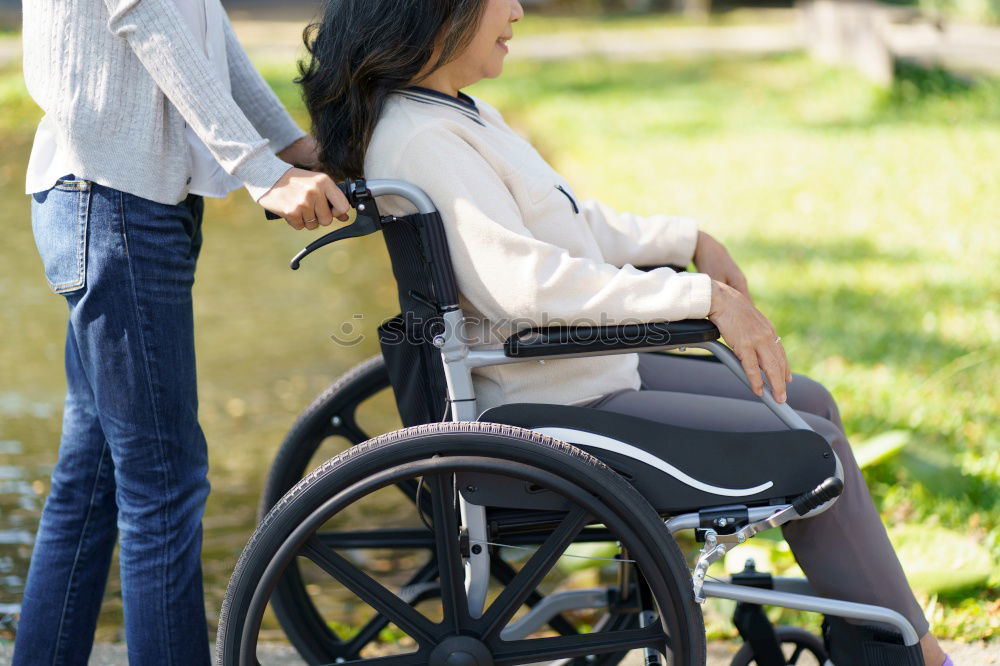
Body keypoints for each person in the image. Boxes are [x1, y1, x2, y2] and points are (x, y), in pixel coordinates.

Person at [300, 2, 956, 664]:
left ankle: (882, 640)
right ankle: (912, 652)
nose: (520, 10)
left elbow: (569, 223)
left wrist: (686, 239)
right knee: (809, 443)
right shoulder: (425, 139)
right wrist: (704, 298)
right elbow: (530, 285)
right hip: (548, 405)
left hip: (571, 379)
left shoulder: (452, 115)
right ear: (439, 13)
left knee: (807, 403)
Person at [15, 1, 349, 664]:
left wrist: (290, 148)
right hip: (115, 204)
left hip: (119, 201)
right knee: (162, 484)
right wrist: (264, 171)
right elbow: (145, 15)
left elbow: (200, 25)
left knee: (96, 477)